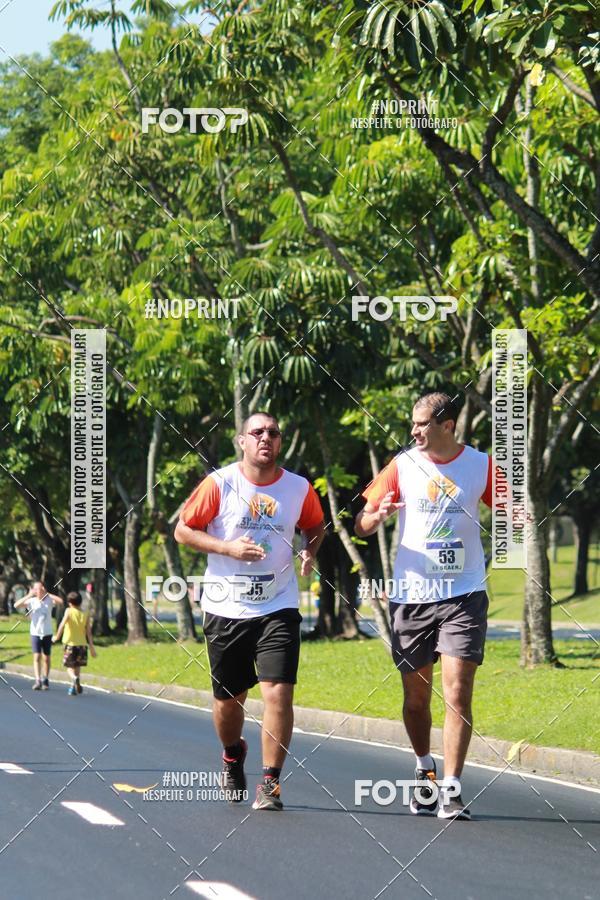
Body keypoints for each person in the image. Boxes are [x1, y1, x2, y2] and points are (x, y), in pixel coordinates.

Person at [175, 412, 325, 811]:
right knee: (229, 702)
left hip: (278, 605)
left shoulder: (298, 487)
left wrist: (310, 549)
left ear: (280, 442)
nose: (266, 438)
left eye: (273, 433)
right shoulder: (220, 483)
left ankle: (271, 783)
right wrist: (228, 548)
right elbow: (183, 530)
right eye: (257, 432)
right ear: (242, 441)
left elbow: (315, 524)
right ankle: (231, 754)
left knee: (278, 692)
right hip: (226, 606)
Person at [355, 392, 494, 821]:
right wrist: (376, 518)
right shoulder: (402, 466)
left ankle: (451, 790)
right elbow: (361, 523)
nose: (414, 432)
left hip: (464, 593)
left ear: (447, 425)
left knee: (457, 692)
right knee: (417, 699)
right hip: (412, 596)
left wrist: (520, 518)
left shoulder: (481, 465)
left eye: (422, 424)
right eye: (412, 424)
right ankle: (425, 770)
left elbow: (509, 512)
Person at [14, 582, 64, 690]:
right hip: (35, 633)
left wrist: (47, 594)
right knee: (37, 656)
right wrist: (29, 595)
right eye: (36, 589)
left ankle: (45, 679)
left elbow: (61, 601)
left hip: (47, 633)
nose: (39, 591)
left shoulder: (49, 601)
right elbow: (16, 605)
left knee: (46, 657)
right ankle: (37, 679)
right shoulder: (31, 601)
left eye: (40, 588)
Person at [52, 591, 96, 695]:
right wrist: (92, 648)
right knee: (77, 665)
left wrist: (56, 637)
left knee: (69, 666)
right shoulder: (86, 613)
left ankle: (74, 678)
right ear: (80, 602)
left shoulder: (69, 611)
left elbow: (62, 624)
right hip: (82, 644)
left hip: (70, 644)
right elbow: (89, 633)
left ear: (70, 603)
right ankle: (73, 686)